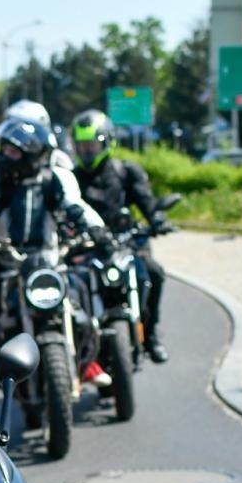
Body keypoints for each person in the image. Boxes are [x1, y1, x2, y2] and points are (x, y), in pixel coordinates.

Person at [0, 118, 108, 413]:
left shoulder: (56, 177)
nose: (5, 156)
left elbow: (75, 205)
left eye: (14, 151)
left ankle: (91, 364)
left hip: (48, 261)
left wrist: (97, 229)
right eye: (4, 149)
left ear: (33, 153)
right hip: (8, 262)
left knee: (84, 314)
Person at [69, 109, 171, 364]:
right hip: (89, 247)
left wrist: (157, 219)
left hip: (126, 243)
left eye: (92, 145)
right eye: (81, 146)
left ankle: (151, 334)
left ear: (106, 142)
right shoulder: (70, 179)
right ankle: (79, 348)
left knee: (153, 273)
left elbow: (147, 202)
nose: (87, 152)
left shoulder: (126, 171)